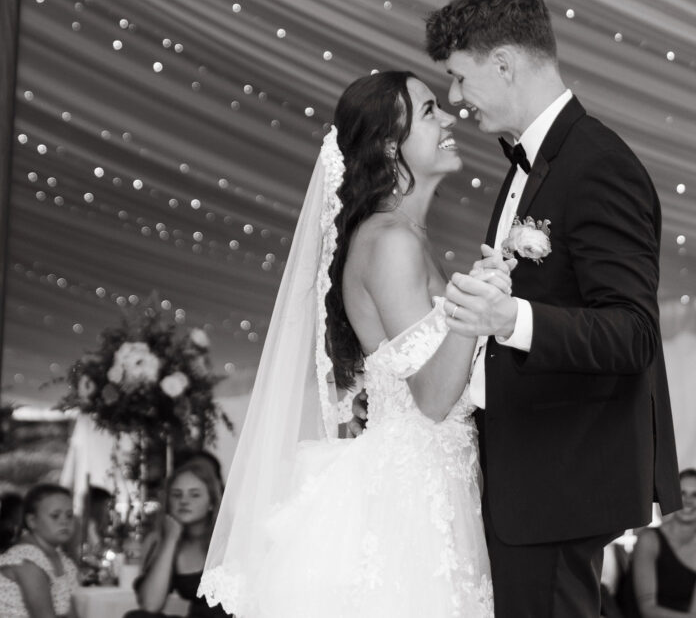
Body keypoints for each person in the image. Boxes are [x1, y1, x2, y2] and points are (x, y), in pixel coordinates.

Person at [424, 0, 682, 617]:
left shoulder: (597, 163)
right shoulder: (536, 164)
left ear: (505, 64)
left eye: (459, 77)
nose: (456, 99)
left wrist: (511, 317)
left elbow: (633, 333)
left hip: (557, 483)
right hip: (527, 476)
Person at [199, 71, 496, 616]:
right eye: (430, 111)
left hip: (435, 479)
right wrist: (476, 307)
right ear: (389, 144)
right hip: (411, 497)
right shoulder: (391, 243)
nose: (450, 118)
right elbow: (432, 398)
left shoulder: (408, 238)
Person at [617, 469, 696, 618]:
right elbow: (647, 610)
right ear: (671, 498)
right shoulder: (649, 539)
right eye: (681, 493)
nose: (688, 500)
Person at [128, 460, 227, 618]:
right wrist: (171, 539)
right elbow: (150, 604)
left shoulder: (228, 539)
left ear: (211, 503)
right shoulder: (167, 540)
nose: (184, 501)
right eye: (176, 495)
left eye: (195, 494)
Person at [0, 483, 79, 618]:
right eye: (55, 516)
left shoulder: (61, 559)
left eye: (69, 515)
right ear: (32, 521)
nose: (64, 522)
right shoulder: (26, 559)